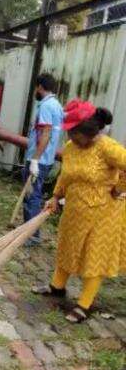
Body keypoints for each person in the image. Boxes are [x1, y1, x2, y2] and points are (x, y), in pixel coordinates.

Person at [33, 99, 126, 322]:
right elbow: (65, 176)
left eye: (74, 133)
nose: (70, 137)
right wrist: (55, 196)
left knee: (94, 257)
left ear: (87, 131)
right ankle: (57, 286)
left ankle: (84, 304)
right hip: (75, 210)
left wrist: (119, 189)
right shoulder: (70, 148)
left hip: (103, 214)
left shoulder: (107, 148)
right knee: (68, 247)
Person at [22, 73, 64, 245]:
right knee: (32, 195)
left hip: (39, 159)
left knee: (32, 197)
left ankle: (32, 235)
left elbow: (45, 134)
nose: (35, 90)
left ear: (39, 86)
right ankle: (28, 231)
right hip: (45, 159)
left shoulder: (47, 106)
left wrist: (35, 160)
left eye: (36, 87)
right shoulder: (56, 105)